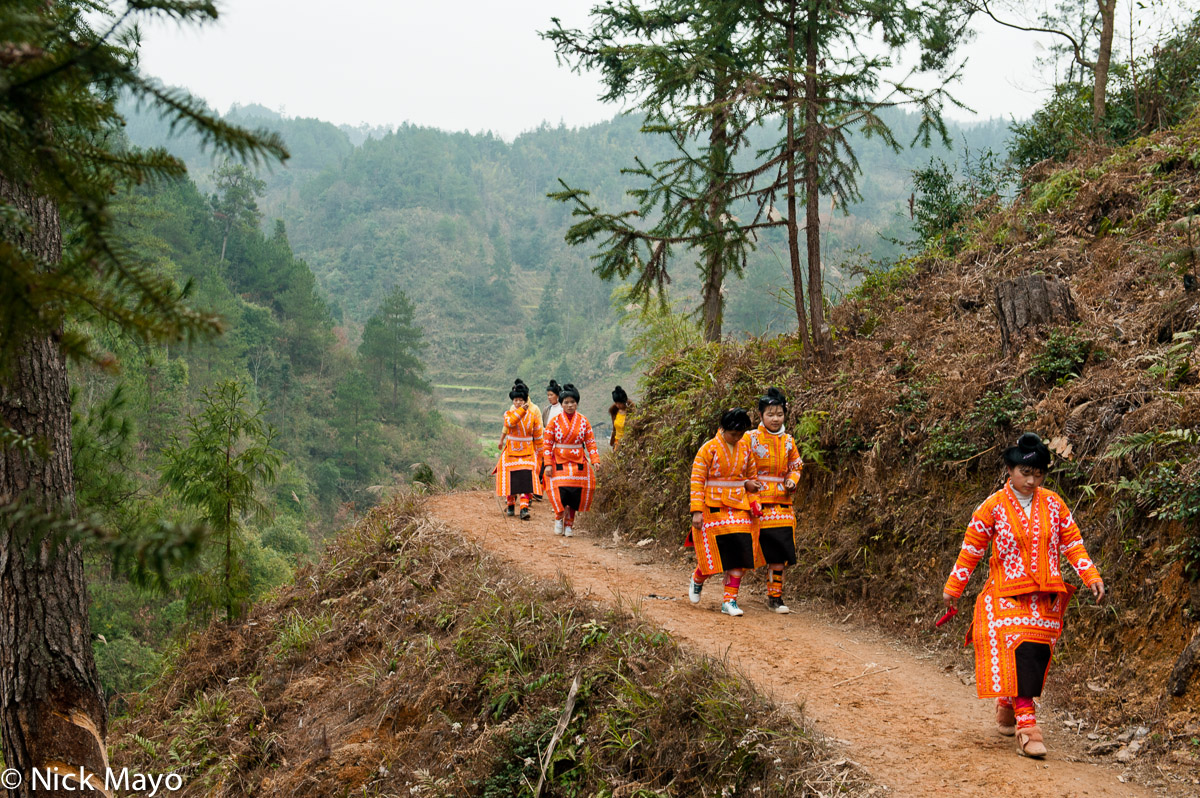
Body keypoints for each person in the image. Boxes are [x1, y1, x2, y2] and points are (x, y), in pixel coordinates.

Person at [941, 432, 1105, 758]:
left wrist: (1091, 575)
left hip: (1044, 595)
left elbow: (1072, 544)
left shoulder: (1055, 504)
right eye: (1025, 473)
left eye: (1039, 474)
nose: (1032, 480)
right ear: (1009, 470)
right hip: (1004, 595)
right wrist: (954, 588)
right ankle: (1027, 725)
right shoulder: (993, 507)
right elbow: (971, 550)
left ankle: (1007, 702)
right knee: (1024, 649)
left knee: (1036, 654)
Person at [687, 408, 764, 617]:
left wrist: (752, 491)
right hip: (713, 509)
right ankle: (698, 578)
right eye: (733, 434)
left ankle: (730, 601)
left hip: (739, 507)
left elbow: (750, 475)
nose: (737, 438)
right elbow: (697, 480)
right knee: (715, 555)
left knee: (739, 553)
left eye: (740, 434)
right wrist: (696, 510)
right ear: (722, 429)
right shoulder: (708, 449)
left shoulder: (746, 448)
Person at [746, 387, 803, 614]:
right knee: (746, 550)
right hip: (755, 502)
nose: (775, 418)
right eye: (770, 414)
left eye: (779, 414)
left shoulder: (789, 441)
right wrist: (748, 485)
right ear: (760, 415)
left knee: (780, 552)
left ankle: (775, 597)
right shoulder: (750, 438)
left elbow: (796, 466)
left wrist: (792, 480)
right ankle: (729, 596)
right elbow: (740, 465)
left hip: (782, 504)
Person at [541, 384, 600, 537]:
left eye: (572, 402)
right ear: (561, 404)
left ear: (577, 403)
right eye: (566, 402)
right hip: (559, 462)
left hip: (577, 463)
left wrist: (595, 460)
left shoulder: (583, 421)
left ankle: (569, 525)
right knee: (560, 492)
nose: (569, 405)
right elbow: (547, 443)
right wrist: (547, 464)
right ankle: (559, 517)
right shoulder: (554, 422)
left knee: (574, 494)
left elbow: (590, 442)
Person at [495, 379, 542, 521]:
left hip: (527, 452)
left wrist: (541, 452)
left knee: (526, 479)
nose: (517, 403)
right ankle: (510, 504)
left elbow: (538, 435)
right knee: (512, 479)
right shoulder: (508, 414)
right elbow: (510, 423)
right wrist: (522, 410)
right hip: (511, 451)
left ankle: (524, 508)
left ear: (525, 400)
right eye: (515, 400)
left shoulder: (533, 416)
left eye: (520, 400)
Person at [608, 385, 633, 450]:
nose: (617, 405)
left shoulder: (631, 412)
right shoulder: (614, 412)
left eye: (620, 403)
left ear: (624, 401)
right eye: (616, 403)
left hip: (628, 443)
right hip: (617, 442)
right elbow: (614, 429)